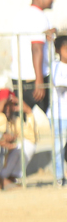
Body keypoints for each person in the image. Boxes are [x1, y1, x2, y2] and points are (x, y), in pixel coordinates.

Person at [10, 0, 55, 114]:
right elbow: (36, 49)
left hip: (23, 77)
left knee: (26, 121)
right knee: (38, 122)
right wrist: (39, 81)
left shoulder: (24, 14)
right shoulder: (38, 17)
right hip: (34, 80)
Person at [0, 88, 36, 189]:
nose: (8, 108)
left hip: (5, 164)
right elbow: (1, 135)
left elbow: (32, 139)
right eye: (5, 105)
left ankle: (10, 178)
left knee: (27, 145)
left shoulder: (14, 121)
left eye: (10, 105)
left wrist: (29, 112)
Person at [51, 36, 67, 186]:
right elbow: (59, 83)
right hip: (59, 115)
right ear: (58, 50)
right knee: (58, 147)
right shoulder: (55, 66)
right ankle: (59, 177)